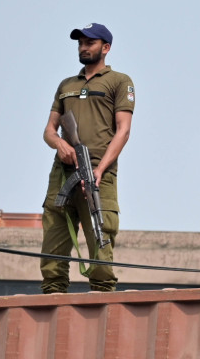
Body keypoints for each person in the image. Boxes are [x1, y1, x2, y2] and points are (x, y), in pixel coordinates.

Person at [40, 23, 135, 292]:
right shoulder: (66, 85)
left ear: (105, 48)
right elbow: (49, 130)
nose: (83, 47)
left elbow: (123, 131)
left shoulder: (119, 81)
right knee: (52, 256)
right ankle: (51, 304)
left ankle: (102, 310)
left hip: (97, 176)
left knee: (101, 251)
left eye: (89, 43)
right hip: (63, 174)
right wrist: (60, 143)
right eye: (80, 43)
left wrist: (100, 169)